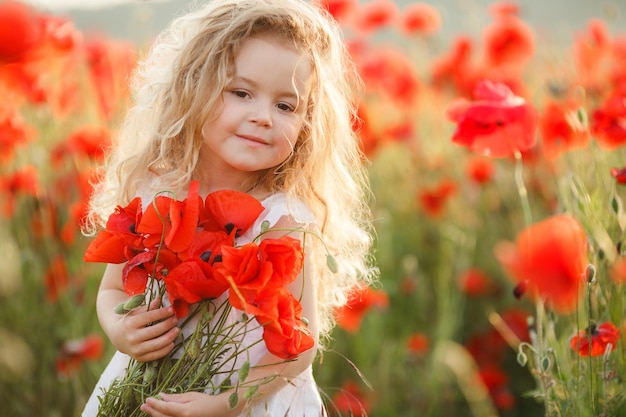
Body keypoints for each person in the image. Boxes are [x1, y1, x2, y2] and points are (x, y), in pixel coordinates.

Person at [82, 0, 376, 416]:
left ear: (307, 122)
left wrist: (224, 404)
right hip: (155, 388)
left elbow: (298, 346)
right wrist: (119, 329)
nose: (263, 117)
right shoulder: (158, 194)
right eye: (241, 93)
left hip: (246, 400)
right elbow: (113, 289)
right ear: (193, 88)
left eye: (285, 106)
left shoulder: (282, 219)